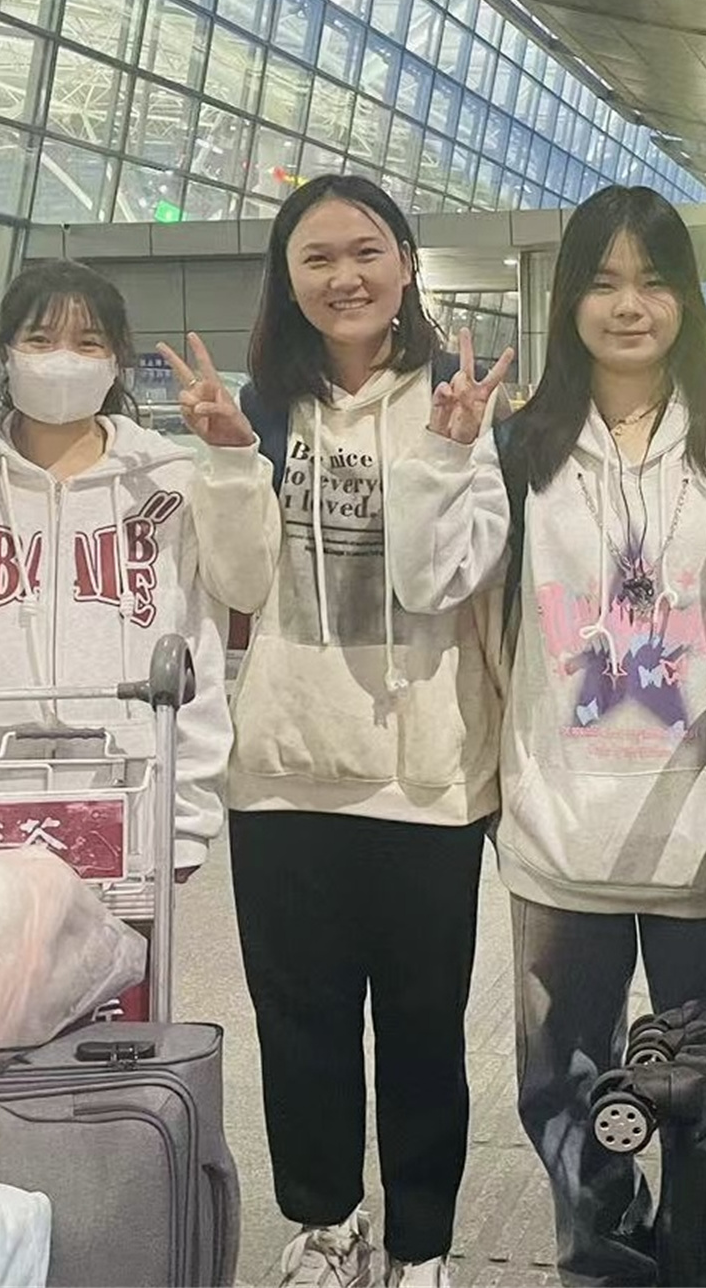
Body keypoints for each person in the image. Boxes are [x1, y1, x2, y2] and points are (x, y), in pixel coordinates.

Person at [386, 186, 706, 1287]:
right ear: (567, 303)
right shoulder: (520, 449)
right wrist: (445, 455)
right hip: (558, 826)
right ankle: (598, 1259)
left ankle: (700, 1258)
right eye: (602, 282)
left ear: (687, 299)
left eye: (652, 281)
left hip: (704, 833)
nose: (628, 305)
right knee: (563, 1088)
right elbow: (429, 582)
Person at [222, 174, 506, 1288]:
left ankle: (421, 1242)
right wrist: (222, 462)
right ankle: (326, 1224)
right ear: (287, 280)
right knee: (299, 1023)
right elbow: (237, 581)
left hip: (426, 773)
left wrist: (443, 452)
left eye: (366, 251)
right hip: (285, 767)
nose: (344, 277)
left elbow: (440, 583)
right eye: (317, 258)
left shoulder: (461, 404)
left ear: (406, 264)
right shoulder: (259, 411)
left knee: (426, 1028)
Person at [0, 259, 274, 877]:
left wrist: (185, 819)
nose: (63, 359)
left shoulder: (169, 482)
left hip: (130, 805)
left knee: (124, 946)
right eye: (41, 339)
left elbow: (215, 627)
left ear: (116, 361)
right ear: (7, 352)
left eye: (88, 342)